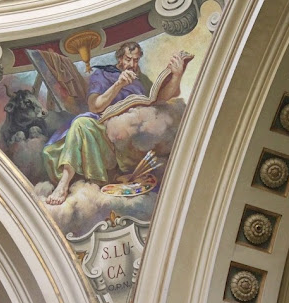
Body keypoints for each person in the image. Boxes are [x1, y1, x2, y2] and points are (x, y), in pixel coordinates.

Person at [43, 41, 186, 205]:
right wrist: (118, 84)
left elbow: (161, 99)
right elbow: (95, 105)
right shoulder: (102, 75)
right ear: (119, 58)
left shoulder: (141, 79)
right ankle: (63, 185)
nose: (132, 65)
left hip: (133, 136)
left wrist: (176, 75)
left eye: (136, 60)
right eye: (128, 59)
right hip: (105, 131)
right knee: (81, 124)